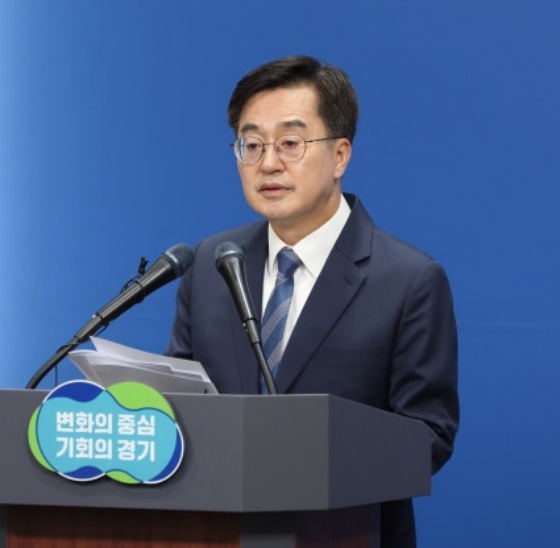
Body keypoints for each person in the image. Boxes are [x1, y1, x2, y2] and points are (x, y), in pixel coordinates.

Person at [166, 55, 459, 547]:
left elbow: (427, 437)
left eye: (290, 143)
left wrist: (304, 458)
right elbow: (180, 401)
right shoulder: (212, 264)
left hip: (344, 531)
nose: (268, 163)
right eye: (252, 144)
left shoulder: (408, 280)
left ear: (340, 155)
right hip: (212, 531)